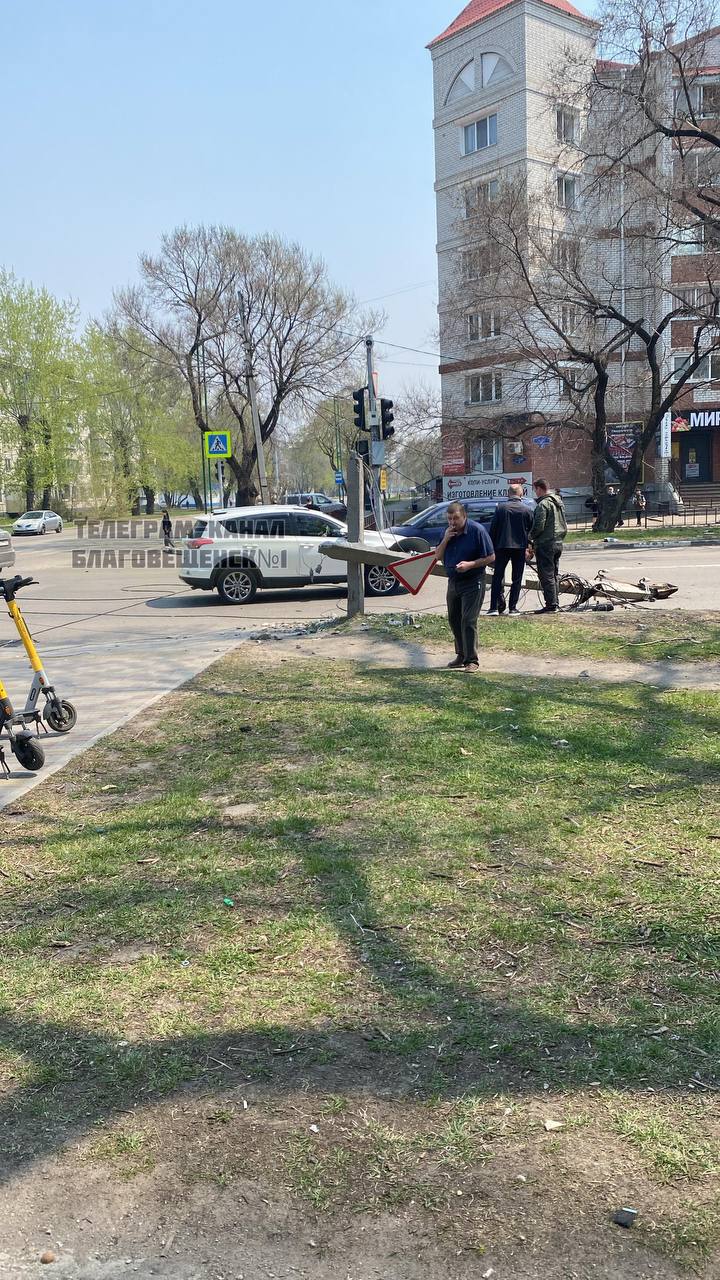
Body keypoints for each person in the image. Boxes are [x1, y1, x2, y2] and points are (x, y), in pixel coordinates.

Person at [436, 501, 495, 672]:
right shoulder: (447, 533)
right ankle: (461, 655)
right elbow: (437, 556)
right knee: (454, 620)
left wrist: (470, 564)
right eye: (449, 519)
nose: (452, 522)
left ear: (464, 516)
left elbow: (491, 557)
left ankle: (472, 660)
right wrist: (446, 539)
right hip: (453, 581)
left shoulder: (477, 531)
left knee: (468, 620)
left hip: (473, 580)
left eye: (456, 519)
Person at [488, 484, 534, 616]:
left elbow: (493, 529)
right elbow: (530, 528)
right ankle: (513, 607)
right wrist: (529, 545)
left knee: (497, 577)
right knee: (517, 578)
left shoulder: (500, 509)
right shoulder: (527, 509)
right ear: (521, 494)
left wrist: (491, 547)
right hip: (519, 547)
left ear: (508, 494)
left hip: (501, 546)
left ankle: (493, 608)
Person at [528, 480, 567, 614]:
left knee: (546, 575)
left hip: (546, 543)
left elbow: (539, 526)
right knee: (554, 574)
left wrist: (530, 537)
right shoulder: (558, 502)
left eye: (535, 489)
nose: (535, 492)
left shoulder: (543, 504)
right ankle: (555, 603)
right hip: (558, 542)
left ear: (539, 488)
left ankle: (551, 605)